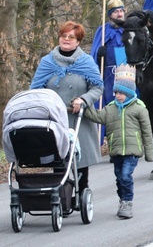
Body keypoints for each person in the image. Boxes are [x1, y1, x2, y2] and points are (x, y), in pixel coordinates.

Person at [30, 21, 103, 192]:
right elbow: (36, 88)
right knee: (58, 160)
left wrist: (84, 99)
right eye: (64, 36)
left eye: (71, 37)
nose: (67, 39)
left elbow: (97, 87)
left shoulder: (86, 61)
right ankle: (61, 195)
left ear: (78, 42)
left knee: (80, 162)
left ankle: (82, 191)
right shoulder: (47, 62)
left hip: (79, 119)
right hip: (55, 119)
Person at [83, 64, 153, 220]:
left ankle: (127, 203)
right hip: (116, 152)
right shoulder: (110, 109)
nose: (118, 95)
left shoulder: (139, 109)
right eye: (116, 92)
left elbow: (147, 132)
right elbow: (97, 117)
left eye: (121, 93)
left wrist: (150, 154)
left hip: (132, 151)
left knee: (125, 175)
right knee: (119, 178)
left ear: (129, 93)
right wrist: (84, 106)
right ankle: (122, 199)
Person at [91, 0, 125, 141]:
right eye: (116, 11)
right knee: (109, 108)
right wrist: (99, 54)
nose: (119, 14)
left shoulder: (129, 29)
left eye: (121, 11)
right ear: (110, 14)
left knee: (124, 107)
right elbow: (93, 55)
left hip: (125, 73)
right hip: (108, 75)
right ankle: (109, 139)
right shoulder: (103, 30)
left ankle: (123, 140)